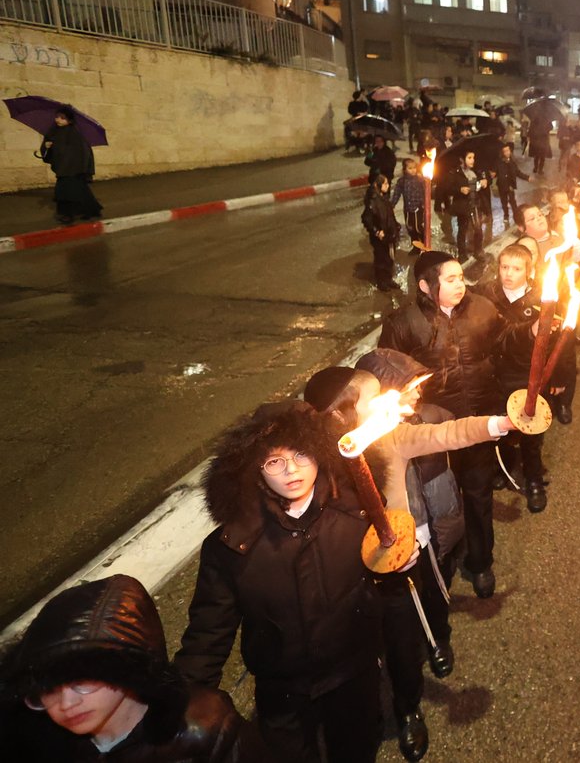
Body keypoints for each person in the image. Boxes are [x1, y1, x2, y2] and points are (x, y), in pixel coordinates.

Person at [305, 362, 513, 761]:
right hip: (350, 579)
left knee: (408, 640)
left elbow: (445, 433)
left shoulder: (390, 440)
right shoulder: (311, 467)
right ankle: (372, 712)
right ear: (338, 414)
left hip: (404, 565)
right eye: (372, 401)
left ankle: (409, 706)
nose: (389, 404)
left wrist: (498, 424)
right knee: (364, 653)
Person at [174, 401, 382, 763]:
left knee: (356, 750)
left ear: (320, 454)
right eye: (275, 461)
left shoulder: (358, 513)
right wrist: (178, 709)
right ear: (256, 471)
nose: (292, 470)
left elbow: (384, 590)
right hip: (282, 691)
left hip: (352, 677)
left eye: (302, 454)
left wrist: (400, 568)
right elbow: (208, 633)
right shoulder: (233, 545)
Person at [1, 574, 266, 762]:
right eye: (47, 689)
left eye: (80, 681)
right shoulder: (48, 744)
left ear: (124, 671)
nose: (66, 703)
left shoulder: (206, 732)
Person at [378, 251, 510, 598]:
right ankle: (445, 557)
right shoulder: (402, 323)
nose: (460, 285)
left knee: (478, 492)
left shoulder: (482, 308)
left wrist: (535, 332)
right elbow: (388, 376)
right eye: (450, 279)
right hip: (431, 435)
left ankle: (481, 562)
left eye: (460, 277)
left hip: (479, 419)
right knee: (441, 499)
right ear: (425, 285)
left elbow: (505, 344)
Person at [478, 244, 553, 510]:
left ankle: (533, 479)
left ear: (529, 271)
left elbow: (552, 343)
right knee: (501, 423)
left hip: (524, 374)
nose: (508, 274)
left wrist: (554, 377)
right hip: (494, 372)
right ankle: (505, 465)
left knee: (528, 430)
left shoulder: (540, 300)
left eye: (516, 268)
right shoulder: (488, 294)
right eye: (504, 267)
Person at [40, 106, 102, 225]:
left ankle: (68, 215)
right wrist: (46, 147)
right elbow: (49, 152)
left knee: (67, 192)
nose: (58, 120)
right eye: (57, 117)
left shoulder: (75, 133)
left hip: (74, 168)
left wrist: (79, 168)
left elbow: (81, 152)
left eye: (62, 118)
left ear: (69, 120)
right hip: (63, 168)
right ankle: (91, 210)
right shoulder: (53, 131)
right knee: (80, 191)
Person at [362, 173, 400, 291]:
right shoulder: (373, 201)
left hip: (389, 234)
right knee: (381, 259)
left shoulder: (383, 198)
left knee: (389, 258)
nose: (388, 186)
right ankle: (381, 281)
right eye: (385, 183)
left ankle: (388, 279)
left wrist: (396, 227)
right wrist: (377, 231)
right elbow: (366, 219)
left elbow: (389, 215)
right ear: (378, 185)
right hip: (380, 238)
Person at [391, 159, 427, 254]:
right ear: (404, 169)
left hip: (418, 208)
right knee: (410, 227)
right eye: (410, 168)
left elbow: (426, 192)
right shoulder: (402, 181)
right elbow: (397, 193)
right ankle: (416, 246)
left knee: (418, 227)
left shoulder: (420, 180)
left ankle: (425, 244)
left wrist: (424, 204)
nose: (413, 170)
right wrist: (392, 204)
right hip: (408, 209)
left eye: (414, 168)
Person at [495, 143, 531, 228]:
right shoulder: (499, 162)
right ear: (502, 152)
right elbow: (500, 174)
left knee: (513, 201)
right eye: (505, 151)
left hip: (510, 186)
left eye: (508, 150)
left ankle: (516, 215)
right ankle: (506, 215)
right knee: (504, 202)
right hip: (503, 186)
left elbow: (517, 172)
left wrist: (526, 177)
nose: (508, 152)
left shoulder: (511, 161)